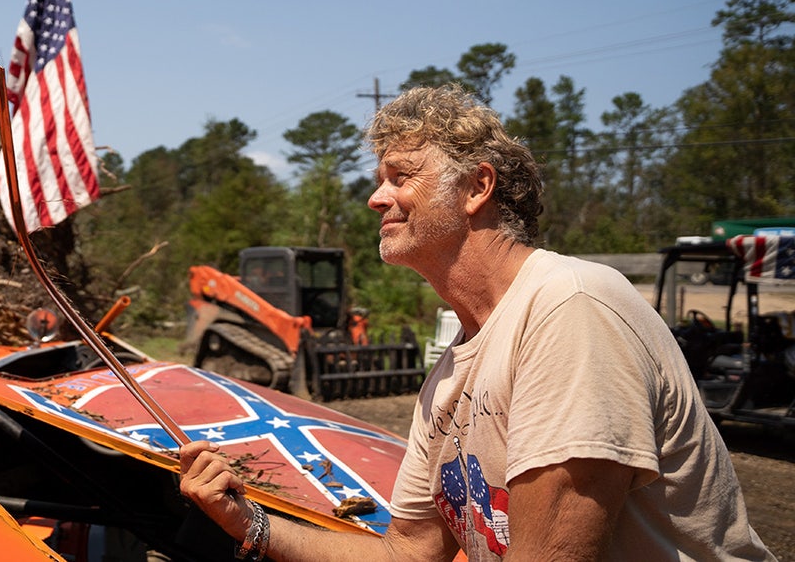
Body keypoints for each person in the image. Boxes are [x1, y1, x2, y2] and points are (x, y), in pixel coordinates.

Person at [179, 85, 774, 561]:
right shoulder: (449, 373)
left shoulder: (570, 307)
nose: (376, 198)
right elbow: (408, 553)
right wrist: (248, 522)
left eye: (401, 175)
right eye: (378, 178)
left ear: (477, 187)